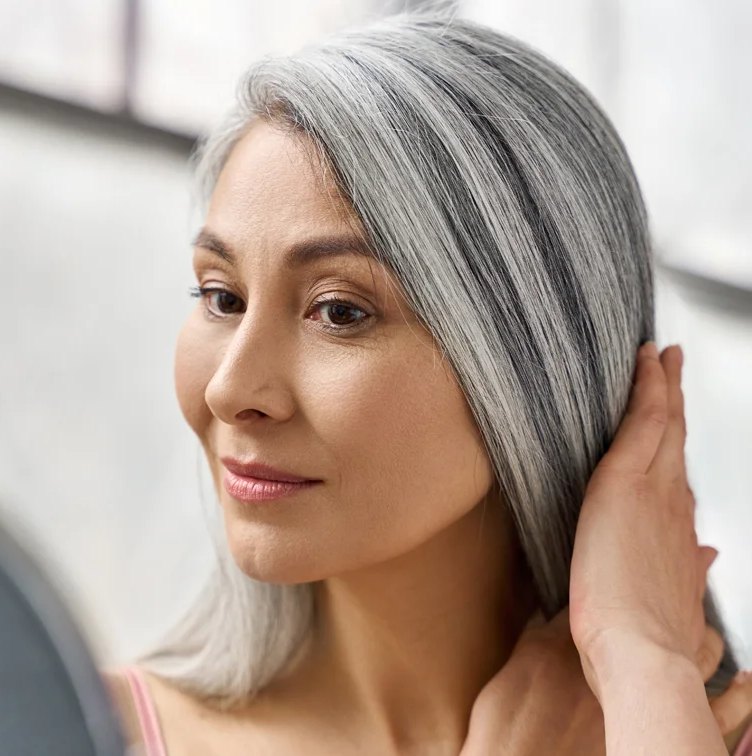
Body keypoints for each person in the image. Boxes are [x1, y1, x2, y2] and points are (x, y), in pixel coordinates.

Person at [104, 11, 752, 755]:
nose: (230, 389)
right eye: (222, 297)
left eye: (339, 310)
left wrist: (644, 667)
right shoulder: (74, 730)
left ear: (530, 359)